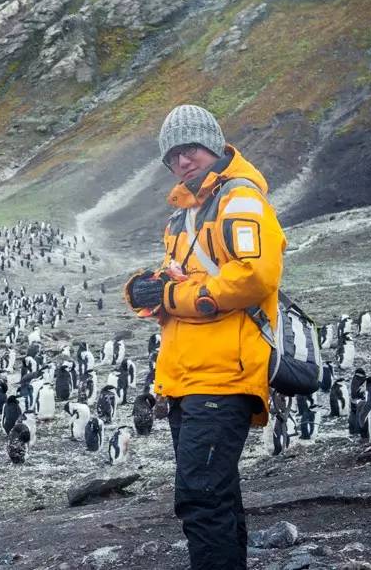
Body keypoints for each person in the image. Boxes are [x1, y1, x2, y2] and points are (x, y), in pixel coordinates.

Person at [123, 104, 287, 570]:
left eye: (190, 148)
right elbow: (181, 286)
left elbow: (254, 277)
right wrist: (147, 290)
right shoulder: (184, 217)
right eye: (172, 155)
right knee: (216, 494)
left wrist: (176, 297)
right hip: (186, 378)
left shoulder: (240, 200)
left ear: (213, 145)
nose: (182, 161)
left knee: (200, 496)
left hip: (223, 376)